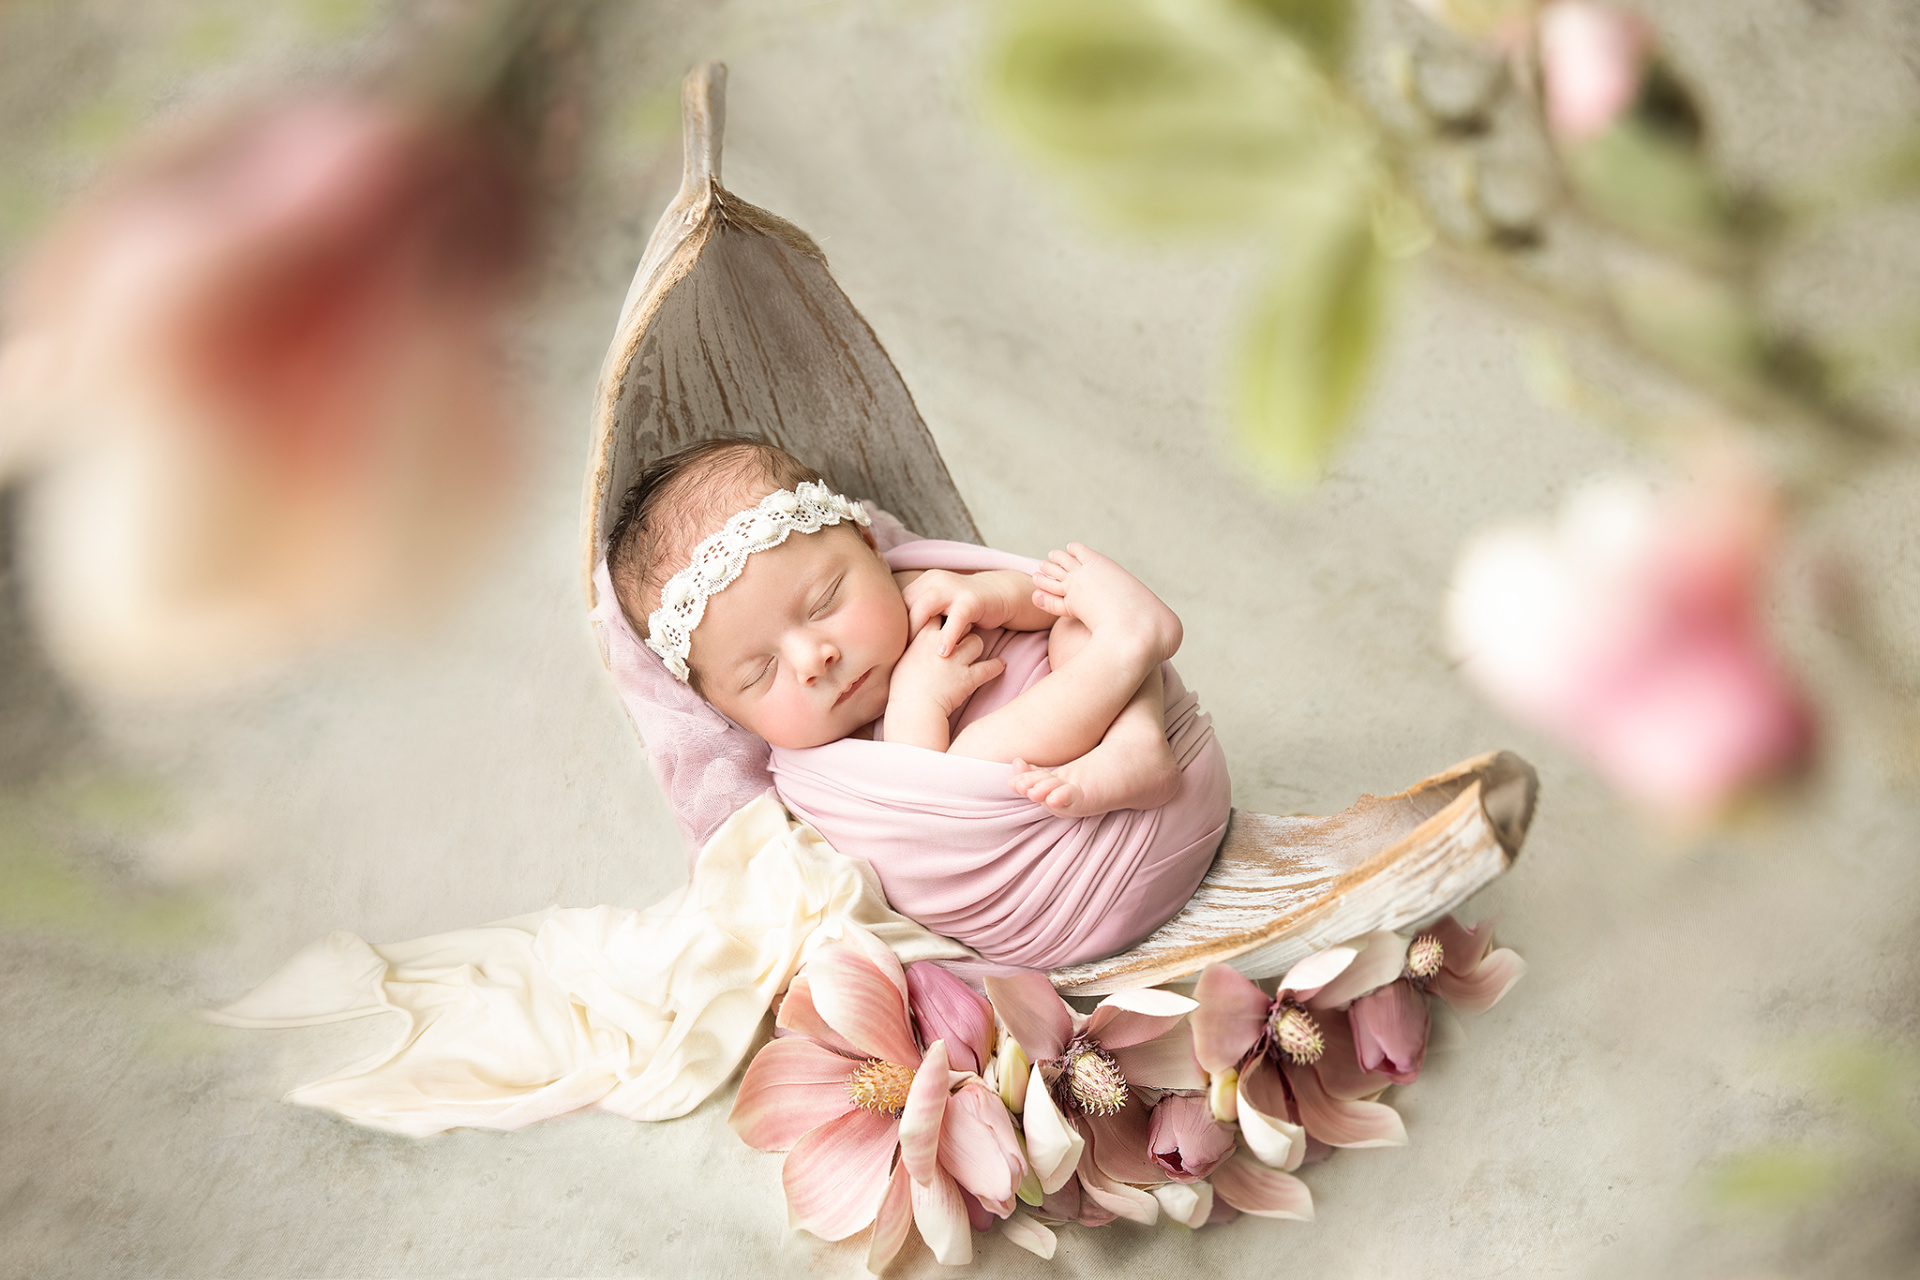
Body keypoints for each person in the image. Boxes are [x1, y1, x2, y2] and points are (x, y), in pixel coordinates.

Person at [606, 437, 1187, 818]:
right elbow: (922, 813)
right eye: (761, 673)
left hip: (1129, 766)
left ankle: (1138, 745)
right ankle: (1129, 643)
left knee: (1074, 622)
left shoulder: (920, 588)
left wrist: (987, 593)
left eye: (825, 601)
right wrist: (917, 703)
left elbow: (1042, 602)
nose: (813, 659)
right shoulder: (820, 771)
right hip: (1042, 829)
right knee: (979, 754)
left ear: (869, 547)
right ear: (723, 710)